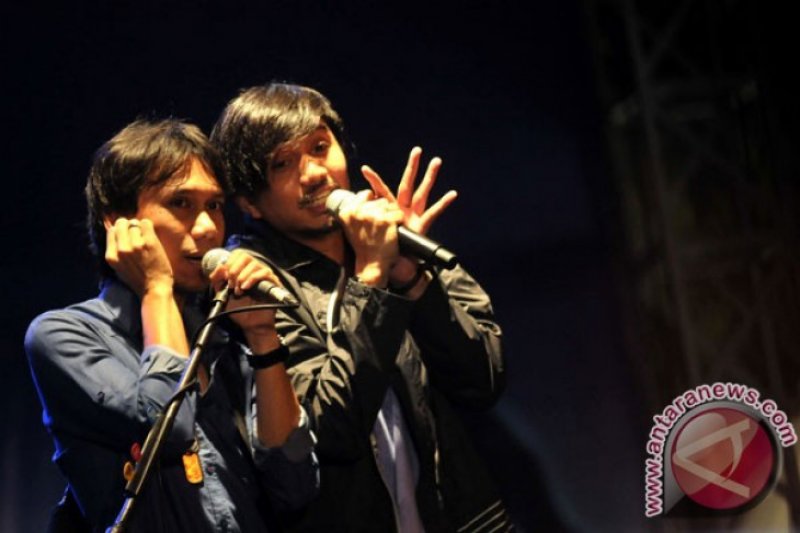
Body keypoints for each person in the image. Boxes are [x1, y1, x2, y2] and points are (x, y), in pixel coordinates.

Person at [211, 83, 510, 532]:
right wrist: (371, 277)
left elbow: (484, 380)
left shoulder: (389, 237)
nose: (314, 174)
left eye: (319, 147)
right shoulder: (252, 285)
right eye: (282, 164)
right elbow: (331, 432)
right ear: (249, 202)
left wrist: (411, 278)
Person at [24, 119, 318, 532]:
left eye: (214, 206)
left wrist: (263, 337)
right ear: (120, 223)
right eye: (181, 203)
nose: (208, 228)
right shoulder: (64, 334)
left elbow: (297, 487)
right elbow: (170, 427)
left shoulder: (223, 341)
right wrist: (156, 287)